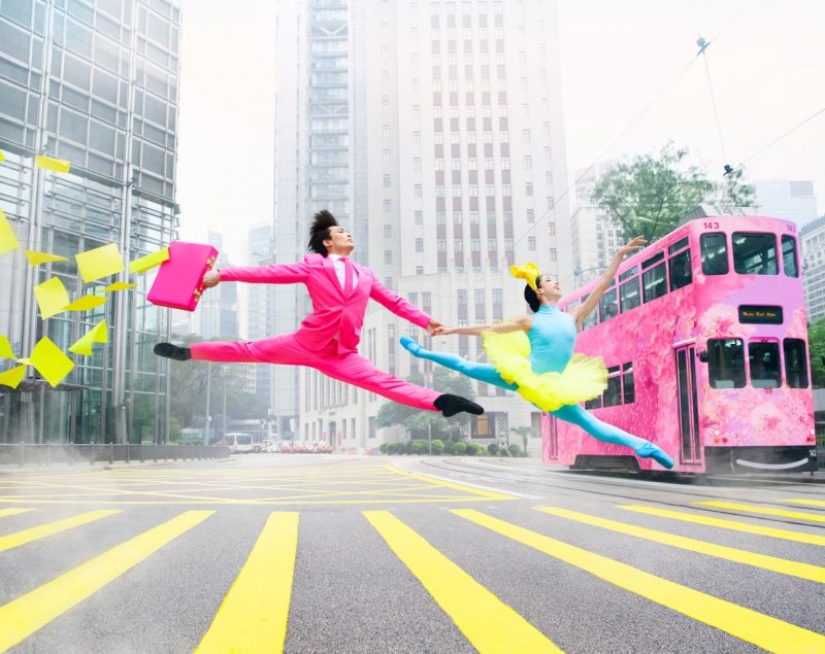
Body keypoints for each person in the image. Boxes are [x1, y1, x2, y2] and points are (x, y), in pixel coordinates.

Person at [154, 210, 483, 418]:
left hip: (342, 354)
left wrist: (426, 321)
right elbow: (270, 272)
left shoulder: (365, 275)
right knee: (248, 350)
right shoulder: (313, 266)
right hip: (305, 342)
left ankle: (442, 401)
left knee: (384, 382)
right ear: (328, 243)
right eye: (342, 232)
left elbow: (395, 302)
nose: (348, 234)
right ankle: (187, 352)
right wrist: (223, 275)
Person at [401, 236, 674, 469]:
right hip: (523, 374)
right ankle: (422, 353)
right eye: (551, 281)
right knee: (467, 366)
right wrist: (449, 331)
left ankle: (644, 446)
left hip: (553, 387)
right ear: (539, 291)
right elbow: (488, 329)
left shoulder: (575, 315)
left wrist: (618, 255)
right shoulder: (529, 320)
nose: (557, 283)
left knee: (589, 422)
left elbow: (602, 284)